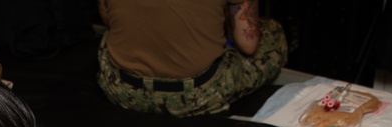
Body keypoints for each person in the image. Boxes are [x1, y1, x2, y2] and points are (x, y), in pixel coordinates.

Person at [95, 0, 287, 116]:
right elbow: (247, 44)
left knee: (110, 35)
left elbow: (107, 17)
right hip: (199, 95)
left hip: (123, 89)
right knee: (272, 32)